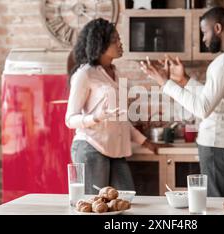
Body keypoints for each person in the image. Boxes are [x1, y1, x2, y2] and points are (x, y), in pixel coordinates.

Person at [140, 7, 224, 197]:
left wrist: (165, 83)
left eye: (205, 32)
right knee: (219, 197)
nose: (203, 39)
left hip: (217, 141)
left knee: (214, 201)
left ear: (218, 28)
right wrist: (184, 80)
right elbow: (215, 98)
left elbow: (202, 108)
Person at [65, 18, 159, 194]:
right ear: (100, 43)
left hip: (116, 151)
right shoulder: (85, 74)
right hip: (91, 147)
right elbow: (70, 119)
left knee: (126, 200)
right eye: (115, 39)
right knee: (95, 207)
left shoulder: (117, 74)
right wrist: (96, 117)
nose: (120, 43)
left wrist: (145, 142)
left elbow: (121, 119)